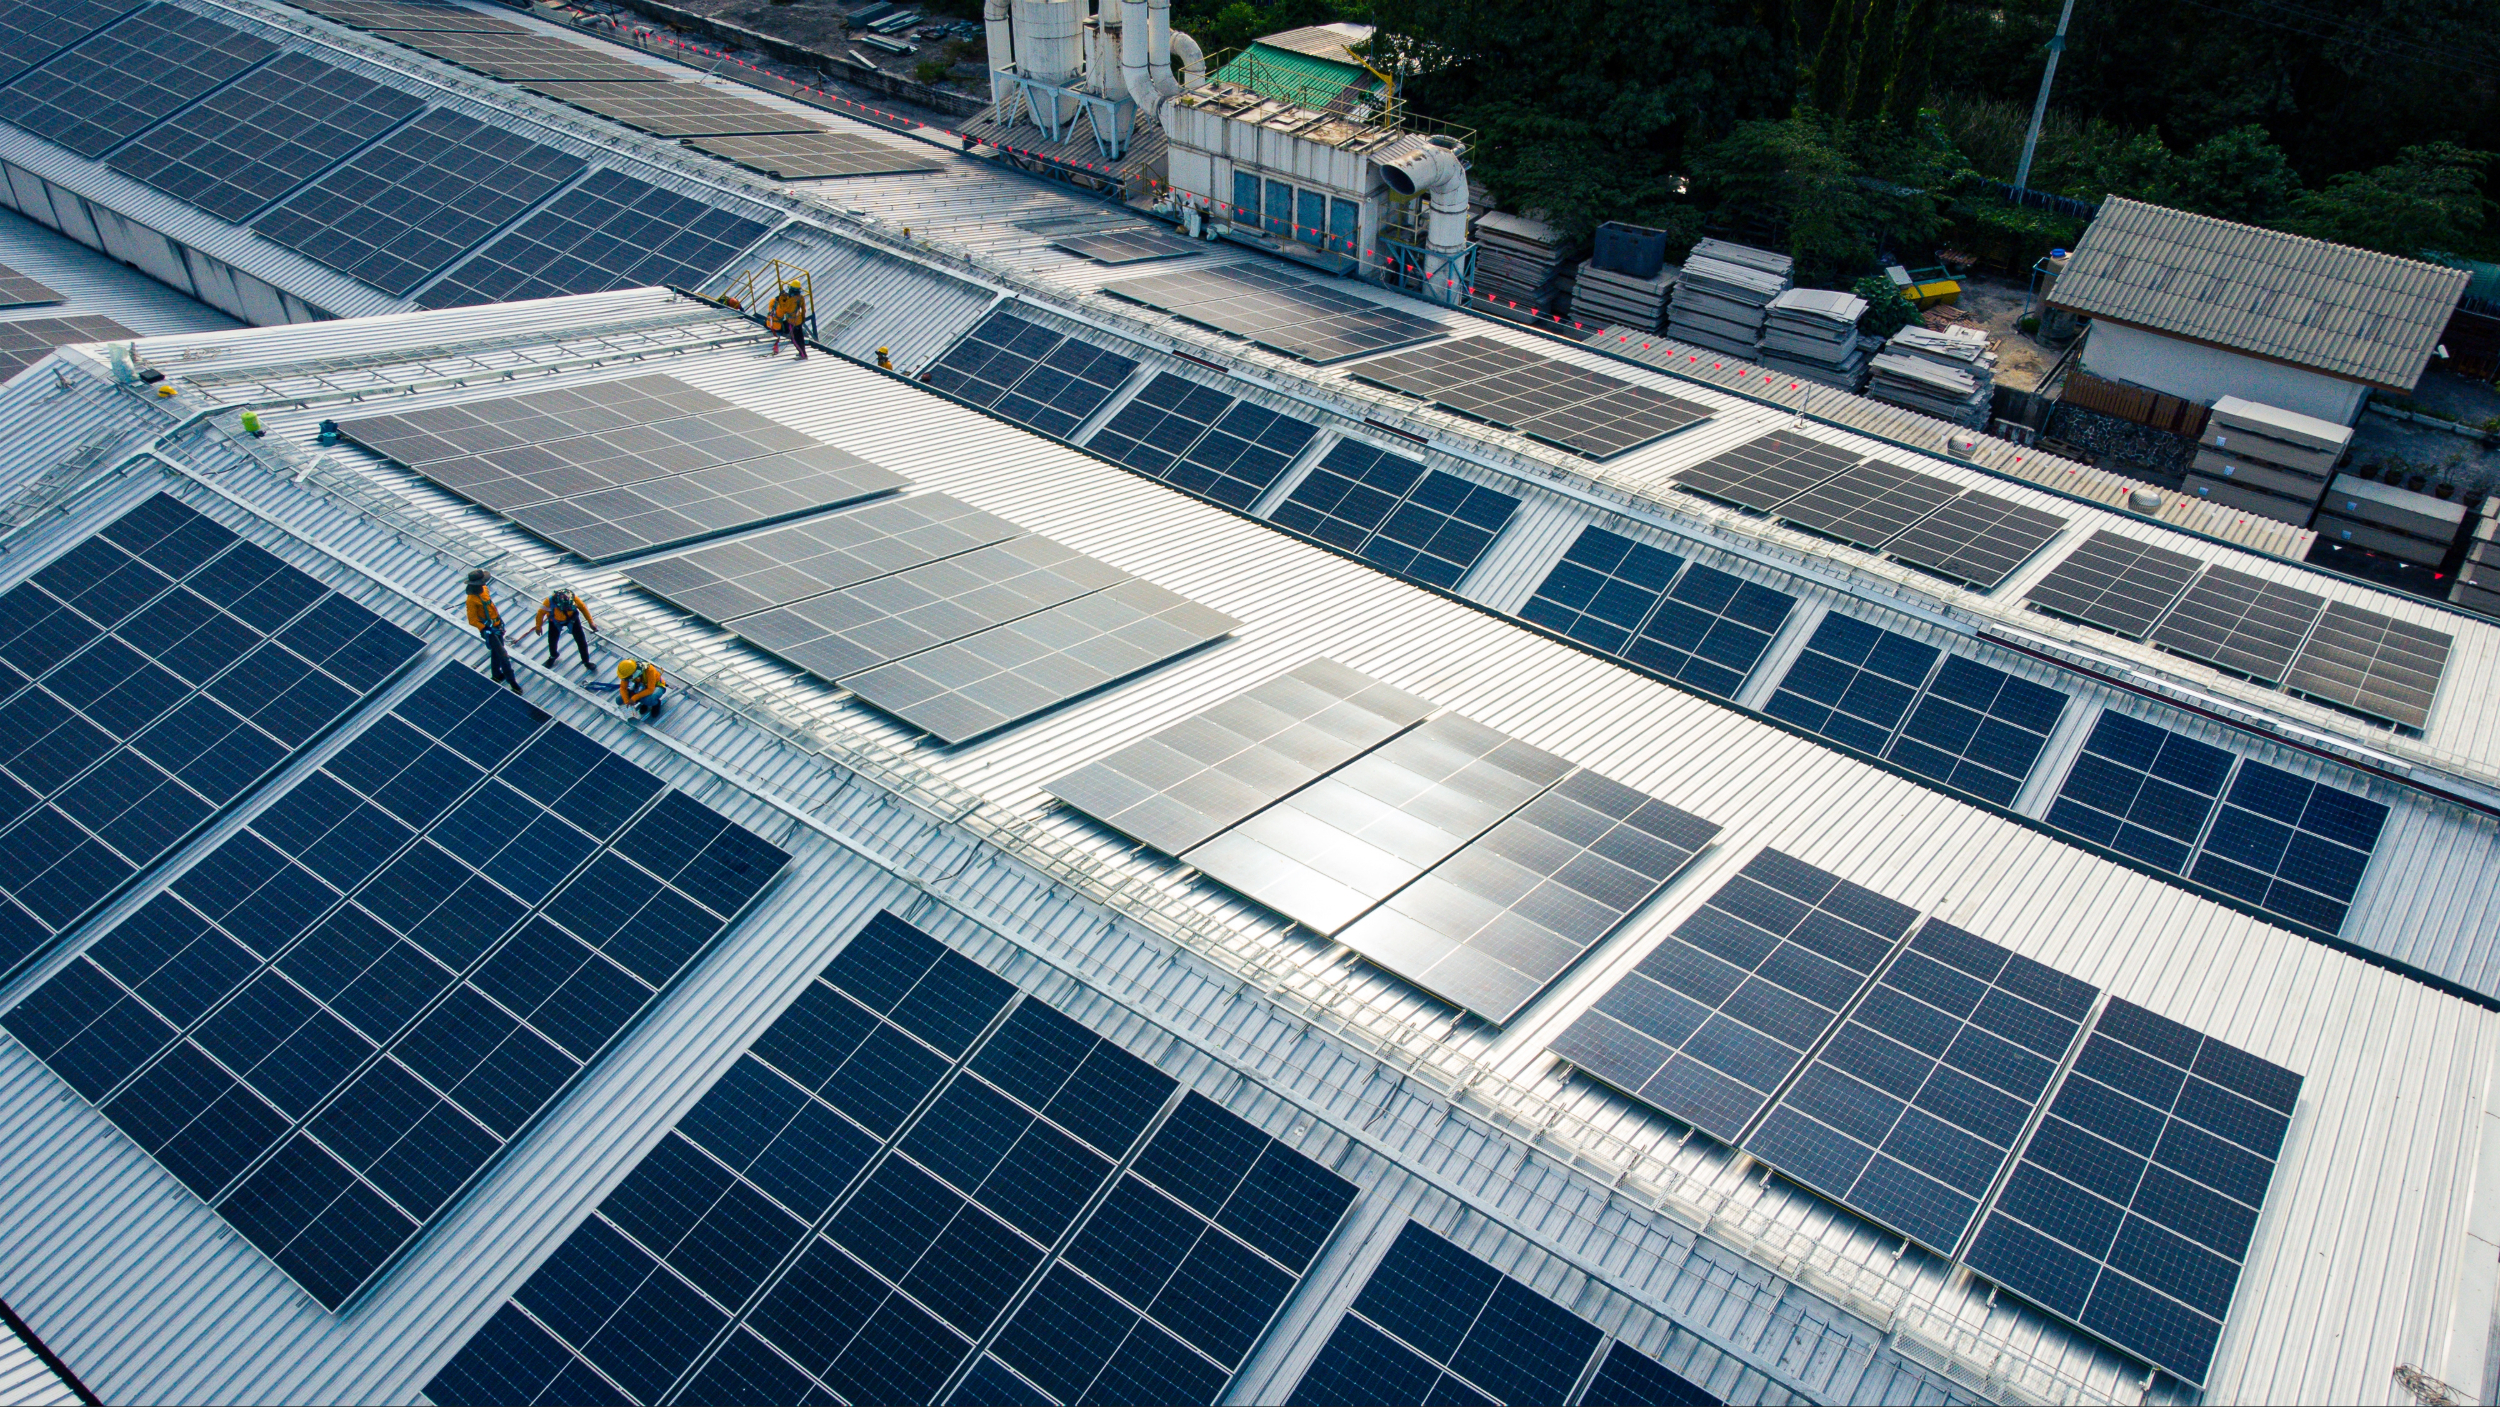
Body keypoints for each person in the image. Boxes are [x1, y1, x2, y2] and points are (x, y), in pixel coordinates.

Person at [465, 568, 521, 696]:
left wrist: (499, 622)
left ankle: (496, 675)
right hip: (489, 630)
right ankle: (513, 682)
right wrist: (485, 629)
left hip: (497, 625)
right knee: (504, 656)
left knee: (496, 651)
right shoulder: (471, 600)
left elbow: (491, 607)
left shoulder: (485, 590)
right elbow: (472, 620)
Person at [534, 587, 598, 670]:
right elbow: (540, 613)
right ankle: (553, 655)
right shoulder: (548, 602)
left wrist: (591, 622)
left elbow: (583, 608)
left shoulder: (574, 598)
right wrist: (538, 626)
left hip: (572, 619)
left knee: (581, 641)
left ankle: (586, 661)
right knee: (552, 641)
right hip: (555, 620)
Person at [765, 283, 807, 360]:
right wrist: (803, 319)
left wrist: (781, 298)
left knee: (795, 339)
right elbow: (804, 309)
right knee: (800, 337)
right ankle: (802, 352)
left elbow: (783, 310)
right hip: (799, 320)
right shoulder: (801, 298)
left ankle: (803, 355)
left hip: (792, 322)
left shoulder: (790, 300)